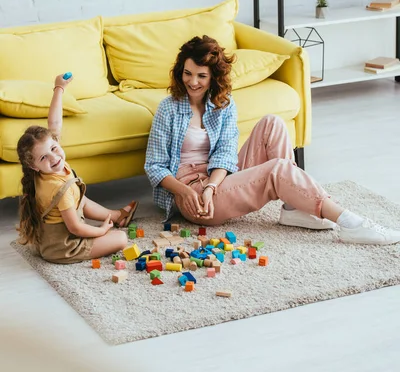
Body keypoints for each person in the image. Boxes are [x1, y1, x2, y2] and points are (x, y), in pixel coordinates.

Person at [145, 35, 400, 245]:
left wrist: (213, 186)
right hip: (194, 195)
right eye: (188, 73)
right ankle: (350, 223)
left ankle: (293, 208)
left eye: (201, 76)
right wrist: (188, 191)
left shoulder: (223, 104)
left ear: (213, 77)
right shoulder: (169, 109)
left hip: (217, 181)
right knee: (277, 169)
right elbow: (154, 166)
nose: (192, 81)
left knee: (272, 123)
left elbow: (224, 153)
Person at [17, 73, 138, 264]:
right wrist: (101, 230)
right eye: (44, 157)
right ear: (34, 165)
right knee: (121, 238)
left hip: (50, 238)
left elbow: (54, 124)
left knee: (80, 197)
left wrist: (59, 88)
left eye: (54, 148)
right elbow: (75, 228)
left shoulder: (43, 171)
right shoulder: (58, 188)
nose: (54, 157)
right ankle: (113, 221)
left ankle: (116, 216)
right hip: (64, 247)